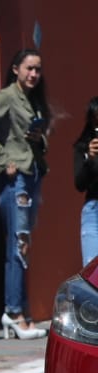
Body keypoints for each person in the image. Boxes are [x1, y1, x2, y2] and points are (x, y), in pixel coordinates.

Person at [0, 49, 50, 340]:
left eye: (38, 70)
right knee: (19, 246)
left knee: (22, 248)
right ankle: (14, 312)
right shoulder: (7, 96)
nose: (34, 75)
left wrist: (39, 139)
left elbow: (32, 139)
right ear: (16, 69)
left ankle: (21, 313)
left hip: (33, 177)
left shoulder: (33, 100)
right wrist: (3, 161)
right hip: (15, 183)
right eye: (29, 68)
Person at [74, 97, 98, 267]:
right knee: (93, 274)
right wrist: (89, 159)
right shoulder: (82, 146)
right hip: (93, 212)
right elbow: (79, 184)